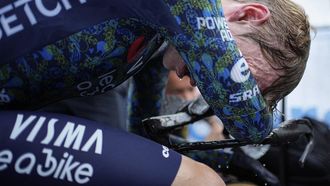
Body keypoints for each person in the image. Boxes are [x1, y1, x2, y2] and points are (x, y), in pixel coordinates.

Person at [0, 0, 310, 185]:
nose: (203, 88)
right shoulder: (188, 5)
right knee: (200, 183)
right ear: (249, 15)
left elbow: (142, 132)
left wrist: (220, 155)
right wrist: (266, 130)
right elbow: (249, 123)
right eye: (244, 73)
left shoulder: (154, 37)